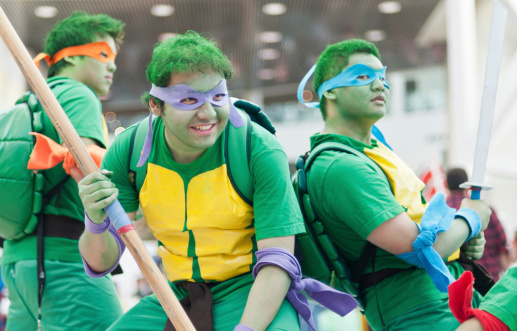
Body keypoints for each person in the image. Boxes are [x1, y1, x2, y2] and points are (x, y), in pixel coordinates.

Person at [77, 31, 342, 331]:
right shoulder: (129, 151)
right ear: (155, 105)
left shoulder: (258, 148)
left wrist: (247, 329)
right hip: (175, 295)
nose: (207, 113)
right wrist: (95, 221)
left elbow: (278, 262)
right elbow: (101, 263)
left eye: (218, 97)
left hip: (254, 290)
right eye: (189, 99)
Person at [299, 38, 492, 330]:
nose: (380, 86)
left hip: (445, 302)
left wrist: (461, 241)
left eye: (382, 77)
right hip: (419, 314)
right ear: (330, 91)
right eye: (363, 76)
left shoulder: (370, 152)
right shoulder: (340, 166)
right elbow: (420, 250)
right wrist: (471, 217)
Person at [0, 11, 124, 331]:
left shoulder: (33, 100)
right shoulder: (78, 94)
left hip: (18, 262)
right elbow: (87, 163)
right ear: (68, 58)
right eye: (103, 53)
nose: (112, 65)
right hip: (66, 263)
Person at [446, 167, 511, 281]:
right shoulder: (486, 209)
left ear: (446, 184)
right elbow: (502, 246)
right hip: (490, 280)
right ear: (466, 183)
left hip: (459, 282)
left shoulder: (444, 211)